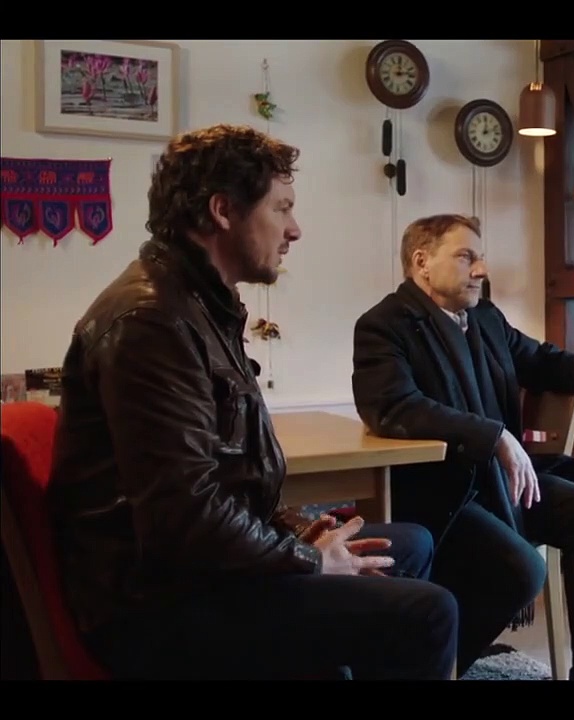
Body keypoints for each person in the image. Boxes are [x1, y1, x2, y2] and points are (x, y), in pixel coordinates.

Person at [46, 124, 458, 680]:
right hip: (156, 608)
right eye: (281, 208)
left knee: (408, 544)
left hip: (197, 576)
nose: (295, 229)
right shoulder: (152, 321)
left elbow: (227, 484)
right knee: (428, 612)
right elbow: (184, 517)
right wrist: (309, 559)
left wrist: (297, 534)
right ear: (222, 211)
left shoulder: (200, 306)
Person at [351, 214, 574, 680]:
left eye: (480, 257)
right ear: (422, 262)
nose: (481, 269)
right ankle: (424, 667)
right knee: (521, 570)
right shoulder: (383, 325)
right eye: (466, 257)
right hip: (443, 494)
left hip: (502, 483)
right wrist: (493, 435)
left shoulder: (485, 318)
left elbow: (541, 359)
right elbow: (394, 406)